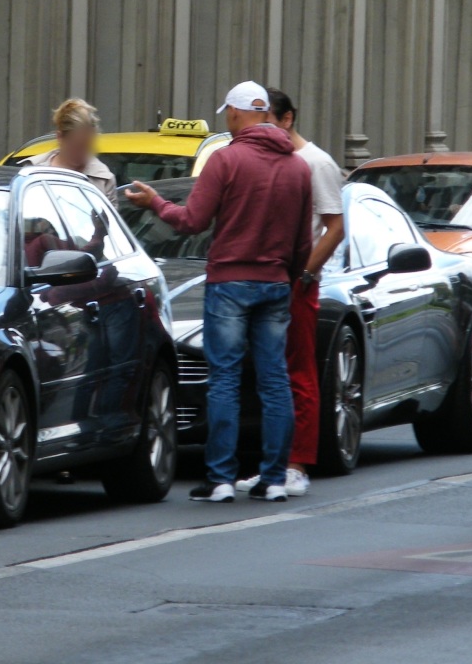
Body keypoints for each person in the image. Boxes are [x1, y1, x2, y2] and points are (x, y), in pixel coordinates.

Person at [126, 81, 312, 503]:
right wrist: (292, 275)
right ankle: (274, 478)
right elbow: (304, 239)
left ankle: (222, 478)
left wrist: (155, 201)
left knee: (225, 379)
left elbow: (192, 221)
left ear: (234, 113)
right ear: (265, 114)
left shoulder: (225, 160)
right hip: (276, 284)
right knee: (274, 380)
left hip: (229, 283)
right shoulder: (297, 167)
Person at [233, 88, 344, 499]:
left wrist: (306, 274)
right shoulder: (273, 161)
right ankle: (273, 464)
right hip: (271, 278)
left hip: (297, 281)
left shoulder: (315, 163)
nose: (258, 130)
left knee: (297, 373)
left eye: (266, 120)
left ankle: (296, 465)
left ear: (287, 119)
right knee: (270, 373)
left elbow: (334, 227)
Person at [27, 98, 118, 203]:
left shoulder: (103, 179)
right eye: (77, 146)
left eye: (87, 147)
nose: (82, 153)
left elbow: (109, 219)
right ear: (60, 137)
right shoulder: (34, 171)